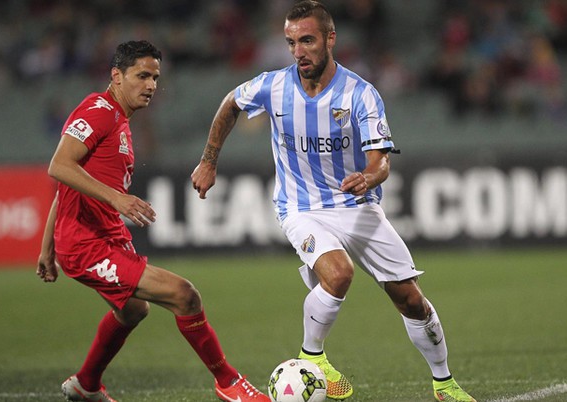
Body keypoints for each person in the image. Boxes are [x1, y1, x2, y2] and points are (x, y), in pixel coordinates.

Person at [191, 2, 476, 401]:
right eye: (291, 42)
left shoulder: (360, 94)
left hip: (357, 206)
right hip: (300, 207)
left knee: (411, 300)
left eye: (307, 40)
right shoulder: (273, 86)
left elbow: (381, 162)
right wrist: (208, 160)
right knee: (339, 273)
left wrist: (368, 177)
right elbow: (231, 103)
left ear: (330, 39)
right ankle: (314, 357)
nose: (298, 51)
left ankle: (444, 383)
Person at [36, 40, 269, 402]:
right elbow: (59, 166)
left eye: (155, 78)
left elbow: (69, 182)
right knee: (184, 295)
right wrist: (116, 199)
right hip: (86, 244)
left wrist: (46, 248)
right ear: (117, 76)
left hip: (105, 236)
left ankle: (86, 384)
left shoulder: (120, 120)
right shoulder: (98, 111)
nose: (151, 85)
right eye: (142, 76)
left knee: (133, 310)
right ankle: (228, 382)